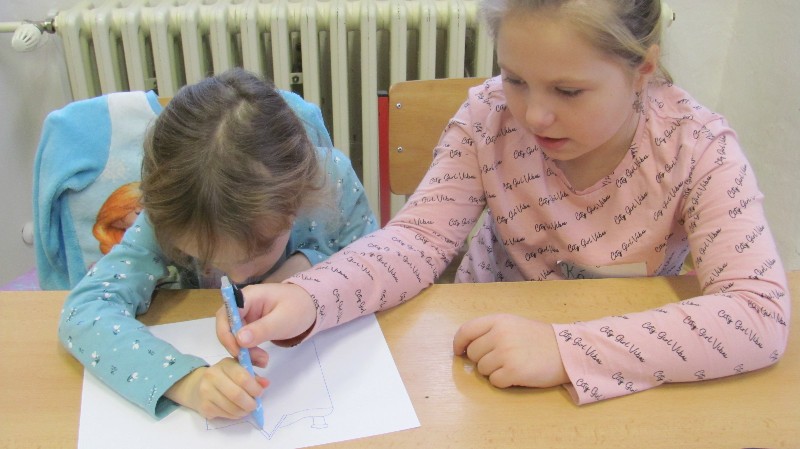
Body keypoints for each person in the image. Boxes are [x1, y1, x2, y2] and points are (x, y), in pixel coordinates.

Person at [218, 0, 790, 404]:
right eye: (515, 79)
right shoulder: (487, 116)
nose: (534, 115)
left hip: (628, 366)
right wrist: (309, 296)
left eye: (568, 90)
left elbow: (758, 315)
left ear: (642, 68)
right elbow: (417, 240)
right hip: (483, 359)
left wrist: (565, 351)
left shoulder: (697, 147)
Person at [58, 68, 378, 420]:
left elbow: (376, 267)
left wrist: (303, 271)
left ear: (299, 196)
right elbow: (83, 311)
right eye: (205, 257)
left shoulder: (330, 179)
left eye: (258, 251)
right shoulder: (168, 214)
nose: (237, 278)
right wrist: (188, 382)